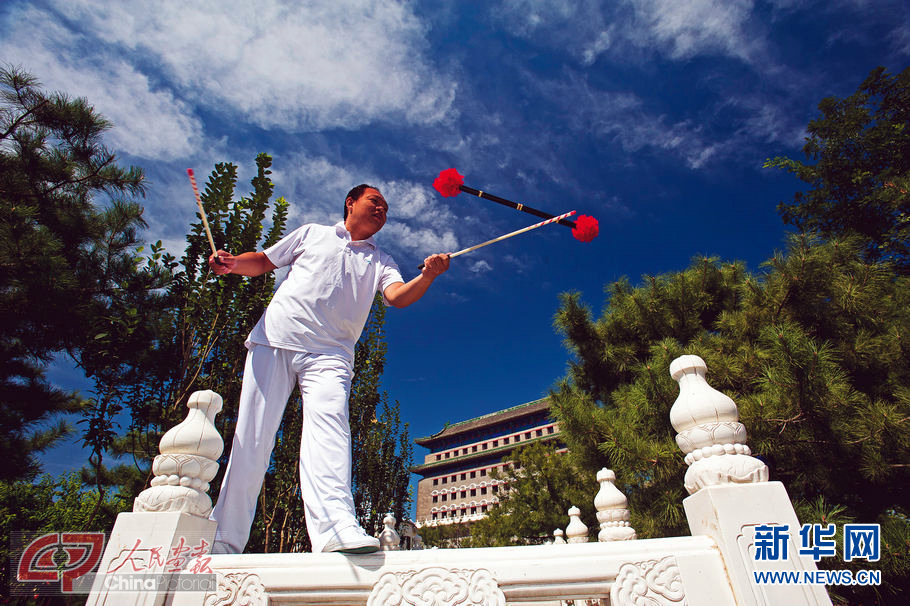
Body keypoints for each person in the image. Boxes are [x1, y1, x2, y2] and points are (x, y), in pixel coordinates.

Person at [207, 184, 450, 554]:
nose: (382, 209)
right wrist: (233, 263)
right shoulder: (311, 233)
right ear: (350, 203)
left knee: (331, 431)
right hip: (275, 339)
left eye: (385, 207)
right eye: (375, 202)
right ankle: (223, 539)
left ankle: (335, 528)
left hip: (331, 356)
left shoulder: (381, 260)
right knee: (251, 440)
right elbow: (262, 262)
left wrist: (429, 275)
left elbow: (397, 297)